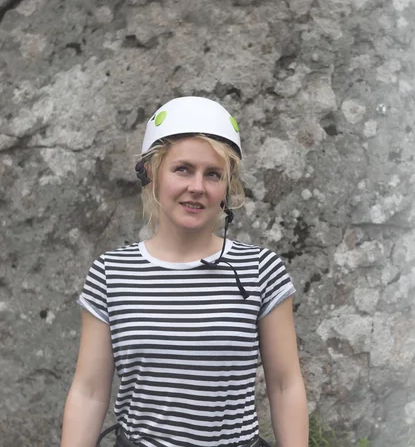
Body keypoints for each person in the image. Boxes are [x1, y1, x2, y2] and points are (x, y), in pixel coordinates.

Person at [61, 96, 309, 447]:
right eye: (182, 169)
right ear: (152, 172)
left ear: (227, 185)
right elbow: (88, 393)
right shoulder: (111, 274)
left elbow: (286, 386)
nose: (197, 187)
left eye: (213, 174)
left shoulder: (260, 271)